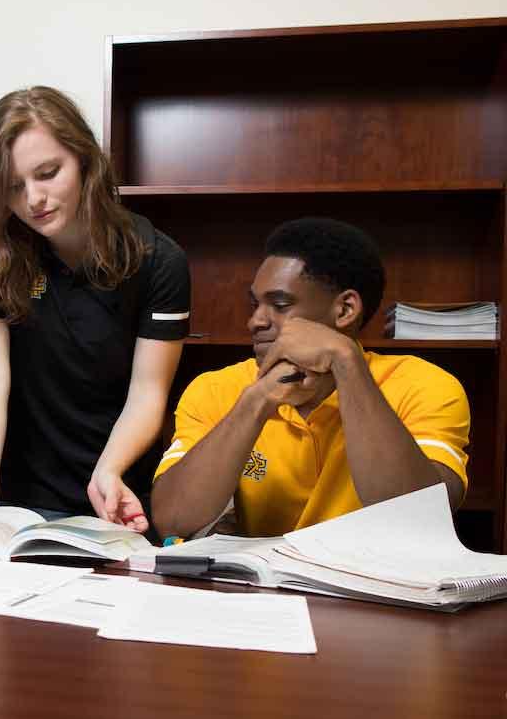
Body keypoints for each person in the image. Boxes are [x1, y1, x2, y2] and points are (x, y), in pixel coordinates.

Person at [0, 86, 190, 533]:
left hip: (115, 499)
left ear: (84, 159)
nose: (33, 199)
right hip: (18, 504)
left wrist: (109, 472)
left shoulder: (158, 259)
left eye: (48, 173)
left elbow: (147, 394)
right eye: (13, 187)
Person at [151, 217, 470, 539]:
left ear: (345, 310)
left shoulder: (424, 384)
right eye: (255, 304)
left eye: (280, 304)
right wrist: (257, 400)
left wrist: (346, 363)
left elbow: (417, 520)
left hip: (376, 584)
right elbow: (174, 520)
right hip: (265, 585)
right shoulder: (215, 388)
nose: (255, 321)